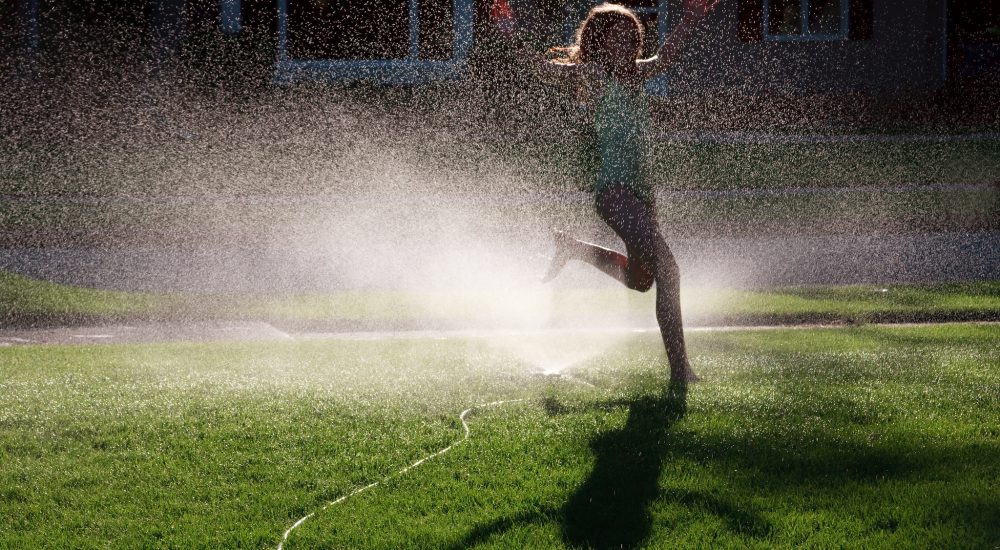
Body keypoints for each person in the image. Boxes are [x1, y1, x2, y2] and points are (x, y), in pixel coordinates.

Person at [526, 1, 718, 382]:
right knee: (669, 271)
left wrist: (690, 19)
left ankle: (576, 249)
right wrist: (509, 34)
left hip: (642, 193)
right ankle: (681, 371)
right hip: (614, 191)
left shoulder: (636, 74)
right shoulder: (594, 75)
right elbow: (543, 70)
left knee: (641, 280)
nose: (629, 44)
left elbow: (665, 58)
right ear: (600, 43)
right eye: (619, 38)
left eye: (633, 38)